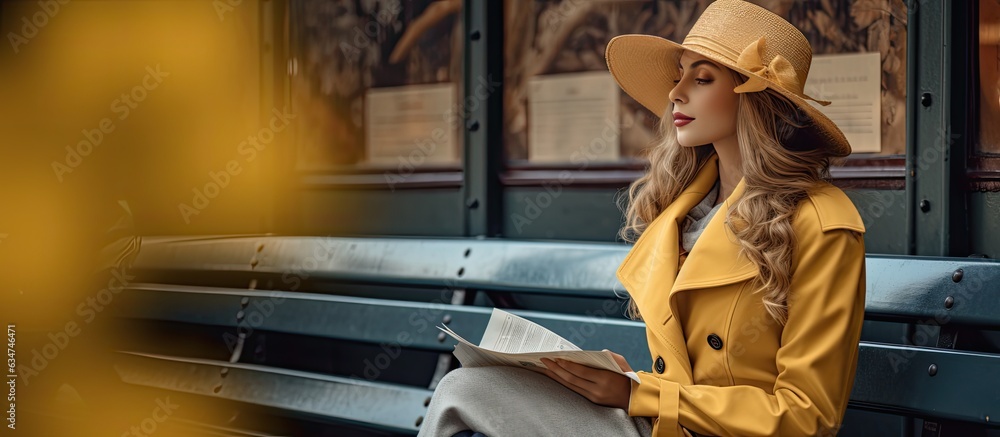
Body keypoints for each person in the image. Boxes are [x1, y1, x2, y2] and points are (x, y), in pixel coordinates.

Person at [418, 1, 866, 436]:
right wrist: (627, 380)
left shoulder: (821, 223)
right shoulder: (682, 209)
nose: (676, 92)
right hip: (660, 423)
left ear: (755, 101)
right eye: (678, 76)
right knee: (467, 387)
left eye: (703, 77)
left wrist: (643, 394)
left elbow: (808, 415)